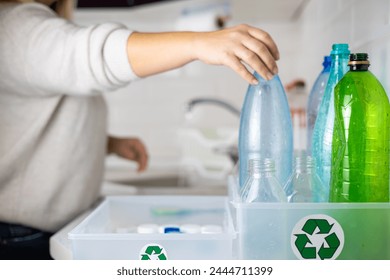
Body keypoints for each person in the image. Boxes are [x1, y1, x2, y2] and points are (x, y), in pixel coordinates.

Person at [0, 0, 280, 259]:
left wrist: (108, 143)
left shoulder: (32, 25)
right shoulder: (13, 25)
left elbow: (36, 120)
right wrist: (197, 43)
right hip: (20, 237)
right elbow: (94, 56)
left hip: (35, 230)